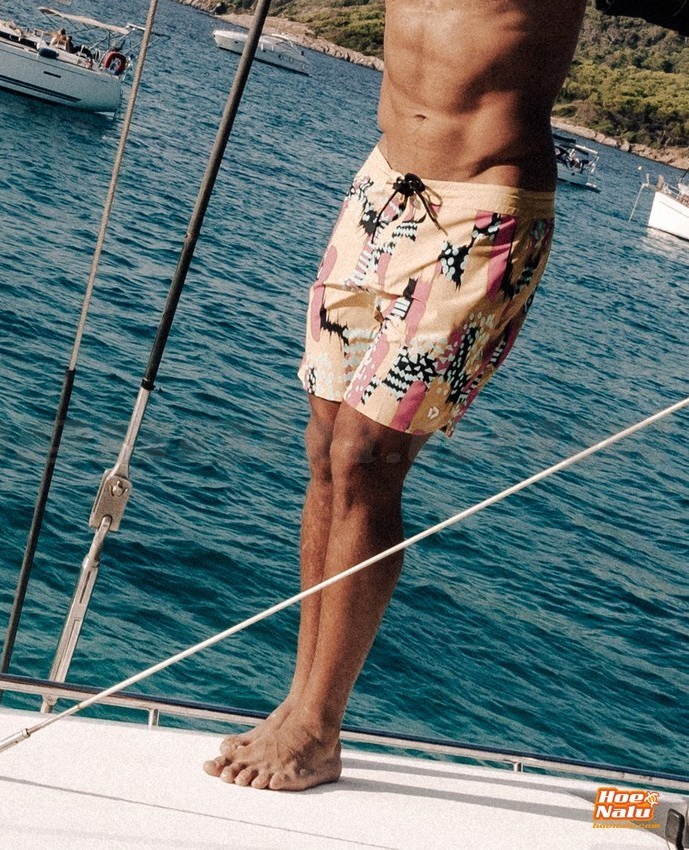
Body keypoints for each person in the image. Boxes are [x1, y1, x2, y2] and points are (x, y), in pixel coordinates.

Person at [204, 0, 588, 791]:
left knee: (366, 456)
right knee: (325, 450)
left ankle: (319, 727)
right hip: (382, 191)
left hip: (482, 210)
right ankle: (297, 701)